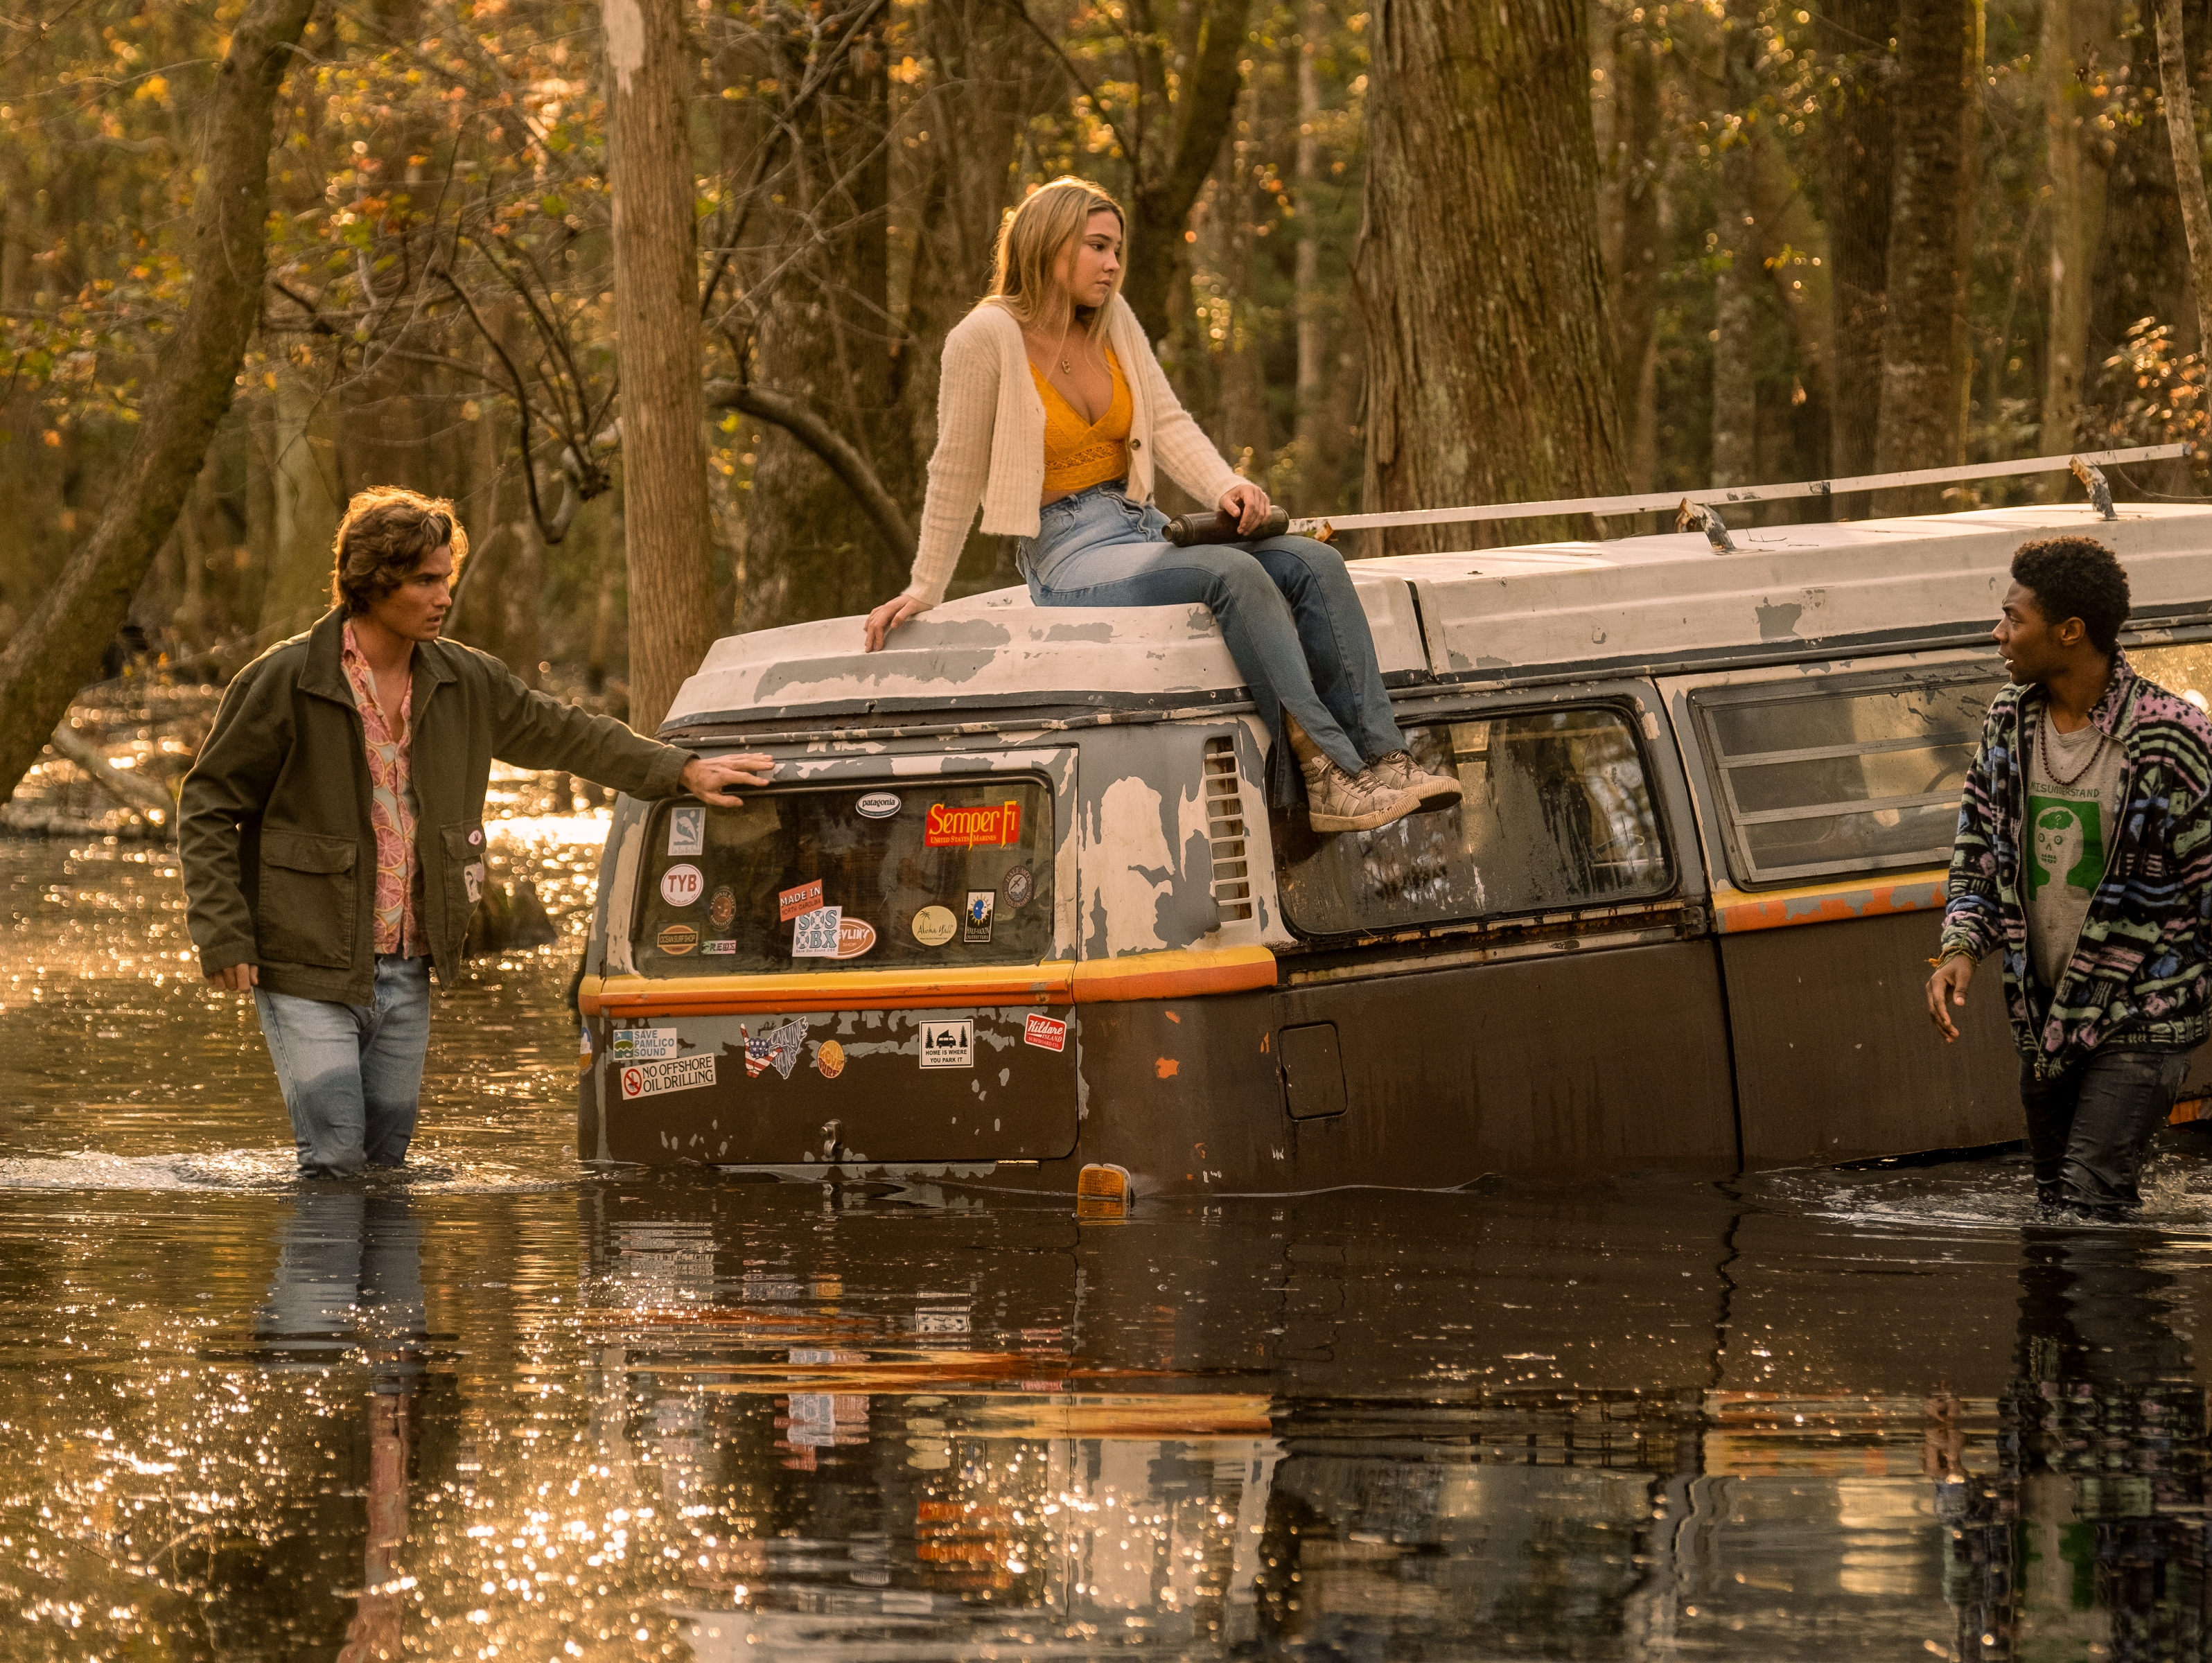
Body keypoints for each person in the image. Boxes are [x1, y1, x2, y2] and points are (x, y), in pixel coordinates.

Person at [179, 487, 775, 1178]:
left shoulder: (465, 679)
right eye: (426, 581)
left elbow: (568, 732)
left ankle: (386, 1293)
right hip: (303, 960)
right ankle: (319, 1288)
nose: (443, 598)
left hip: (409, 964)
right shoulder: (288, 678)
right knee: (337, 1157)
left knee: (386, 1161)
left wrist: (682, 769)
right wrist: (224, 934)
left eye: (447, 581)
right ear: (373, 583)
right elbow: (207, 803)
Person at [859, 175, 1457, 835]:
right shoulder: (983, 338)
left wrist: (1225, 486)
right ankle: (1329, 777)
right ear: (1048, 245)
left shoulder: (1115, 321)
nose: (1113, 263)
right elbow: (954, 465)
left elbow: (1167, 422)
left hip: (1138, 524)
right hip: (1067, 552)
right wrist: (925, 585)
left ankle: (1386, 757)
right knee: (1233, 573)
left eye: (1117, 249)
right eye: (1097, 247)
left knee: (1313, 562)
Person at [1924, 535, 2212, 1219]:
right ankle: (2103, 1327)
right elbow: (1978, 855)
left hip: (2145, 1015)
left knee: (2091, 1202)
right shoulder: (2007, 724)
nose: (1997, 633)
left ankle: (2121, 1321)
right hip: (2045, 1016)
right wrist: (1961, 948)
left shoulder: (2172, 736)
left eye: (2013, 619)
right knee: (2058, 1207)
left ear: (2070, 631)